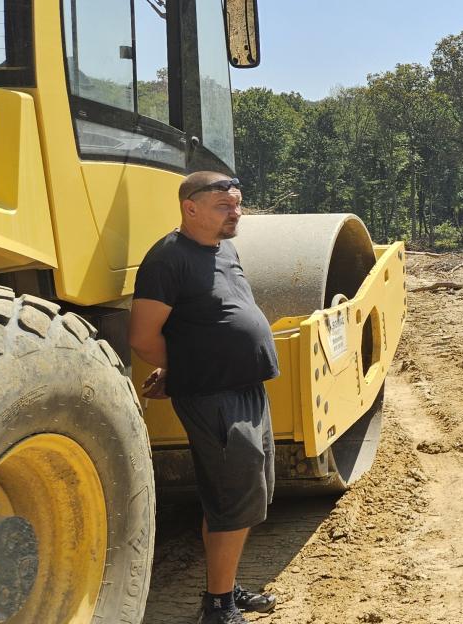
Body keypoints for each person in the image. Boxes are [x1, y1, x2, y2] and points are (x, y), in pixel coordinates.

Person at [130, 172, 279, 624]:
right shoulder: (168, 258)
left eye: (237, 204)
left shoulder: (223, 247)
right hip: (212, 395)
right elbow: (142, 336)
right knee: (232, 499)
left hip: (245, 389)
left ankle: (225, 586)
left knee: (241, 495)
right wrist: (181, 368)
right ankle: (217, 607)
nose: (235, 213)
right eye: (223, 206)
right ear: (189, 208)